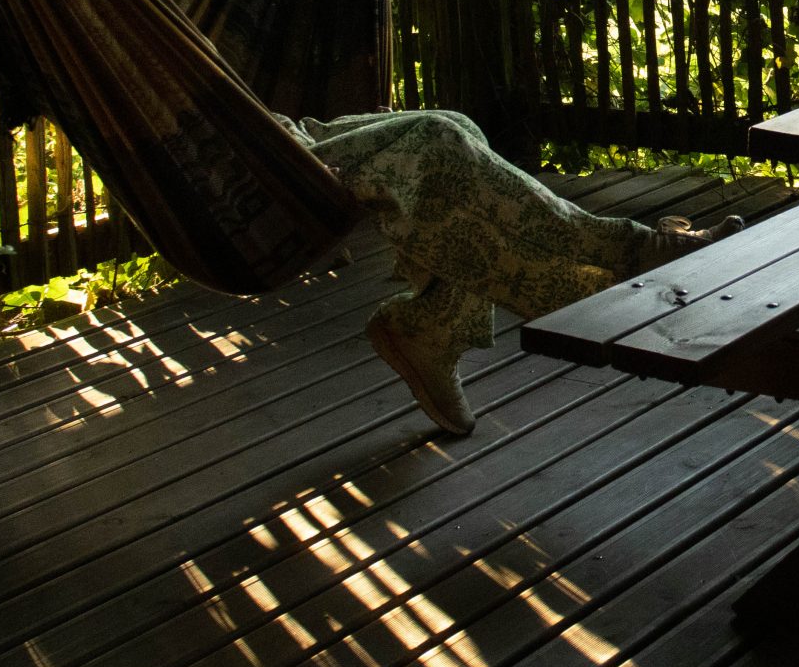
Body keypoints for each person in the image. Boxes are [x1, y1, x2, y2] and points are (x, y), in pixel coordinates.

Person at [282, 110, 740, 435]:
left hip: (282, 141)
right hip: (274, 171)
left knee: (460, 126)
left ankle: (433, 325)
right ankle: (640, 251)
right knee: (441, 142)